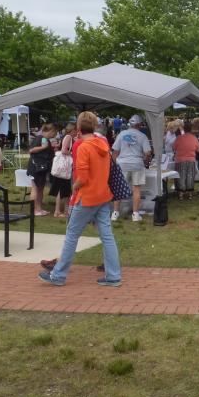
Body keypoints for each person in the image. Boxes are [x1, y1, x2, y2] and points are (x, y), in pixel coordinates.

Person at [39, 111, 121, 287]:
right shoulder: (103, 144)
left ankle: (58, 275)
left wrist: (73, 188)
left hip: (87, 197)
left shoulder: (84, 146)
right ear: (95, 126)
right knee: (107, 236)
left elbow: (82, 178)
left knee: (72, 235)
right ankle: (113, 275)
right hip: (103, 195)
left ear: (78, 127)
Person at [111, 115, 152, 222]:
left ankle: (115, 213)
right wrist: (146, 161)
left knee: (118, 188)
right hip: (137, 163)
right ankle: (135, 214)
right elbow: (148, 153)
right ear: (139, 125)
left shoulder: (121, 134)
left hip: (122, 163)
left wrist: (115, 165)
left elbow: (115, 152)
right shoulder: (142, 136)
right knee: (136, 189)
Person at [27, 123, 56, 216]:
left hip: (43, 168)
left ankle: (39, 209)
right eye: (53, 132)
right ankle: (34, 210)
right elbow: (31, 150)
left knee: (40, 189)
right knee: (35, 188)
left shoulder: (46, 140)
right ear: (48, 131)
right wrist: (43, 147)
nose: (54, 134)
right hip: (36, 168)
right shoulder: (39, 138)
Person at [50, 122, 75, 218]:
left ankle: (63, 210)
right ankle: (58, 211)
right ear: (72, 130)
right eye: (75, 130)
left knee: (64, 189)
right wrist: (72, 153)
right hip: (64, 168)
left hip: (63, 168)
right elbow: (64, 150)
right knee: (62, 189)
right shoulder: (68, 137)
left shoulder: (66, 136)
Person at [173, 120, 199, 200]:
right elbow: (198, 149)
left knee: (181, 177)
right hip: (191, 160)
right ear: (191, 129)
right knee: (190, 177)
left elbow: (174, 147)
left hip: (180, 159)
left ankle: (181, 194)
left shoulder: (179, 138)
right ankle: (190, 194)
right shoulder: (194, 138)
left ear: (183, 129)